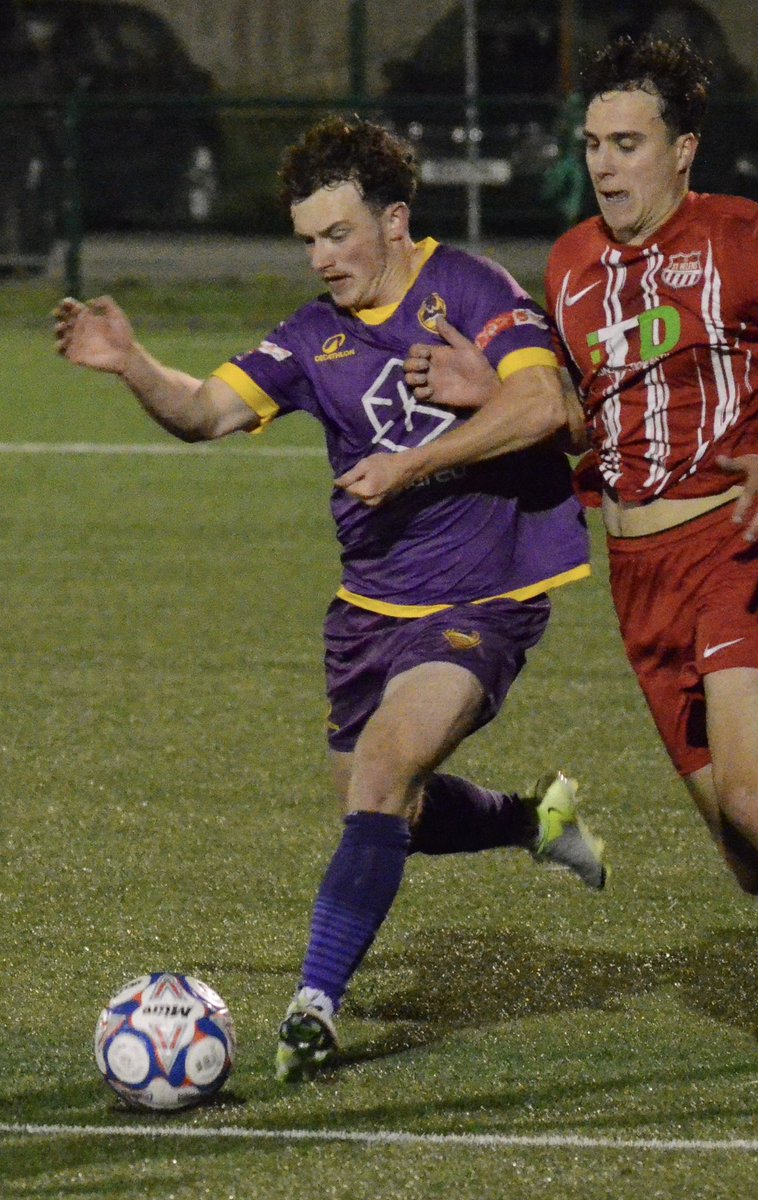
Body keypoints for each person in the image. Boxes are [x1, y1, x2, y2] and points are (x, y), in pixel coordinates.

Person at [402, 37, 758, 1106]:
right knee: (755, 855)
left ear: (683, 151)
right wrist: (494, 392)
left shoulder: (736, 242)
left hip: (734, 548)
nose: (607, 165)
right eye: (592, 145)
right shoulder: (571, 263)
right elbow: (588, 412)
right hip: (637, 580)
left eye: (628, 144)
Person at [51, 115, 608, 1083]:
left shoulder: (468, 287)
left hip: (486, 590)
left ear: (395, 220)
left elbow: (542, 404)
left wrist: (415, 463)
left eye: (338, 235)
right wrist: (131, 364)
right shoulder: (315, 337)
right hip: (368, 611)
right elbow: (204, 412)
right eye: (307, 239)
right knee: (387, 805)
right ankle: (533, 821)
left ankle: (314, 1007)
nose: (320, 258)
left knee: (385, 771)